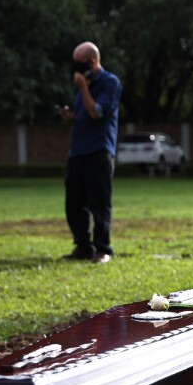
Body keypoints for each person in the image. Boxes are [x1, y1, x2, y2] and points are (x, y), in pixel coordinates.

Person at [60, 42, 122, 264]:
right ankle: (83, 246)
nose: (76, 69)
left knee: (99, 202)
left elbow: (97, 112)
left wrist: (83, 88)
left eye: (80, 63)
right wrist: (71, 114)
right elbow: (84, 113)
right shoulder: (82, 84)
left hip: (99, 151)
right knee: (74, 202)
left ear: (92, 61)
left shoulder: (110, 83)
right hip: (78, 151)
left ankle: (102, 248)